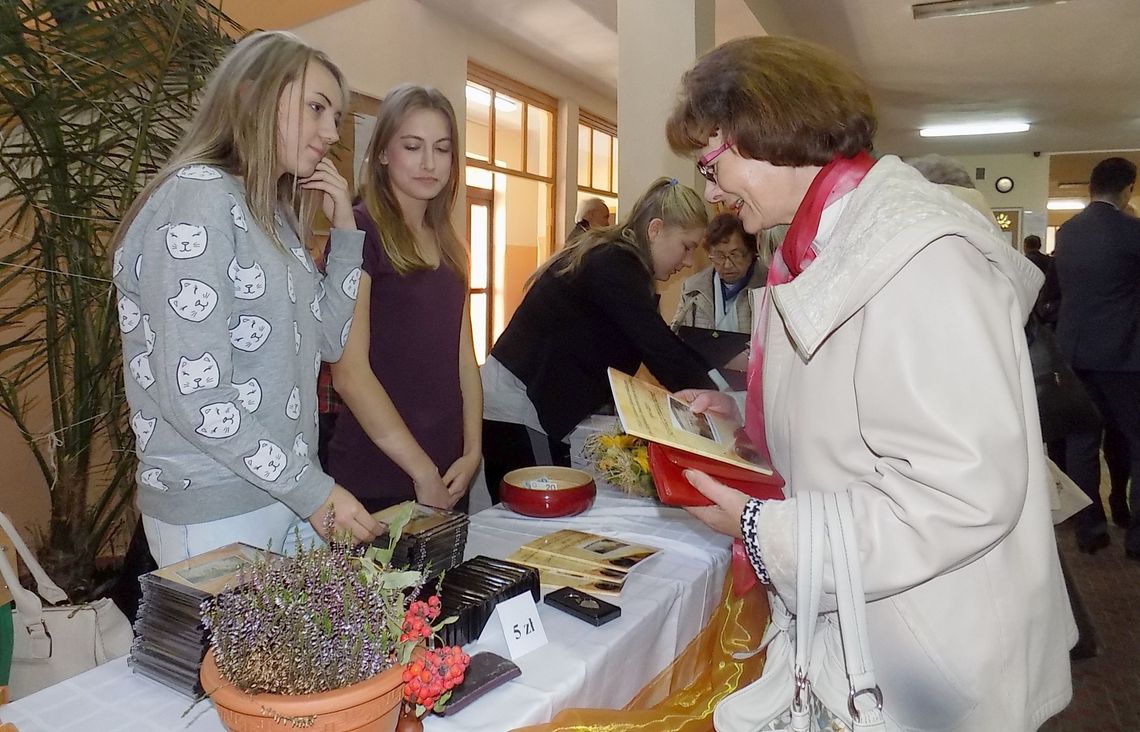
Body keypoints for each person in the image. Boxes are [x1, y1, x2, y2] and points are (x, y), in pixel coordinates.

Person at [667, 36, 1073, 729]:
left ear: (768, 130)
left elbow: (959, 493)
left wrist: (766, 531)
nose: (710, 193)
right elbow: (857, 406)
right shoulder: (829, 242)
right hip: (879, 630)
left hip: (929, 650)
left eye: (710, 163)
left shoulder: (920, 256)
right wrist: (738, 413)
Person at [112, 31, 381, 567]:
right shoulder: (198, 196)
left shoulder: (270, 212)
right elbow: (197, 394)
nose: (331, 132)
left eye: (335, 115)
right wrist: (313, 490)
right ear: (253, 95)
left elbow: (326, 340)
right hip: (216, 506)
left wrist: (346, 234)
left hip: (279, 492)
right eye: (316, 107)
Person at [481, 178, 719, 502]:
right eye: (687, 246)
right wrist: (720, 402)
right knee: (539, 522)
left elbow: (659, 343)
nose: (689, 261)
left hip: (532, 403)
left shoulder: (619, 263)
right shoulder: (615, 263)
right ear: (656, 229)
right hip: (520, 405)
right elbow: (659, 348)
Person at [326, 84, 480, 513]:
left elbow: (464, 357)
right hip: (378, 477)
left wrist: (472, 452)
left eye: (443, 149)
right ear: (381, 154)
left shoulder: (451, 244)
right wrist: (422, 472)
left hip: (447, 473)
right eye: (413, 146)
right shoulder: (357, 233)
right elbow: (350, 373)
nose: (430, 163)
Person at [1053, 156, 1140, 554]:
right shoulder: (1130, 231)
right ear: (1128, 189)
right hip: (1123, 355)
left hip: (1074, 350)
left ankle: (1090, 528)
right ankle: (1137, 535)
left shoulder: (1068, 233)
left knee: (1081, 442)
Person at [671, 212, 767, 333]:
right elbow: (676, 334)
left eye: (735, 255)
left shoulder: (768, 285)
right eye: (719, 256)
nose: (727, 265)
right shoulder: (693, 289)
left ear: (752, 252)